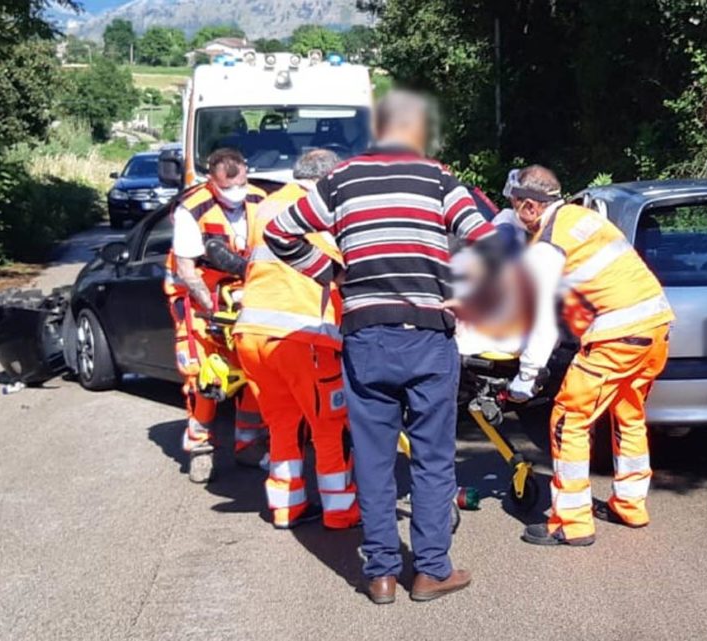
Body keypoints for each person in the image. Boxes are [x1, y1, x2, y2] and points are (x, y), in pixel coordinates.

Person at [263, 91, 503, 605]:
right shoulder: (438, 179)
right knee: (433, 458)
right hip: (428, 335)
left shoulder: (341, 179)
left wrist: (332, 273)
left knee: (372, 460)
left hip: (365, 336)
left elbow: (279, 231)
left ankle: (381, 575)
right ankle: (432, 570)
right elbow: (488, 242)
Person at [505, 165, 675, 547]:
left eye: (516, 206)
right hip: (656, 327)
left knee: (568, 418)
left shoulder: (551, 241)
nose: (515, 214)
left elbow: (542, 319)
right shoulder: (583, 217)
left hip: (619, 336)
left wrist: (526, 379)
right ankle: (630, 504)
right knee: (628, 414)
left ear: (531, 206)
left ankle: (571, 522)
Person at [232, 149, 361, 530]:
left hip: (252, 335)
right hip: (302, 338)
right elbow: (342, 272)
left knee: (283, 425)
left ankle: (287, 507)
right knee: (329, 426)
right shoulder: (318, 210)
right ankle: (340, 511)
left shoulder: (267, 207)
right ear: (327, 180)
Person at [165, 148, 268, 483]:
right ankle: (201, 447)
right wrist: (214, 312)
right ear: (212, 180)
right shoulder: (191, 209)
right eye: (228, 187)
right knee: (205, 376)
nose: (236, 193)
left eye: (240, 183)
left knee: (254, 368)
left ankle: (249, 445)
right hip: (200, 299)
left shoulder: (258, 199)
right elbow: (187, 270)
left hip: (245, 295)